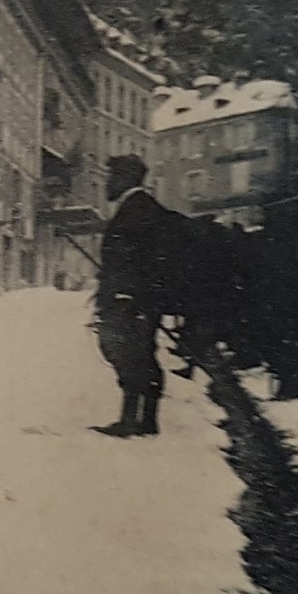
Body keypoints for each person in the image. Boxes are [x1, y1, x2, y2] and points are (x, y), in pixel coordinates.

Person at [93, 153, 186, 437]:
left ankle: (132, 419)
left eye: (111, 178)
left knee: (126, 353)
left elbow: (138, 261)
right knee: (141, 353)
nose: (106, 184)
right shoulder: (142, 208)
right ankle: (145, 419)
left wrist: (124, 294)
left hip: (130, 300)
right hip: (139, 299)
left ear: (124, 179)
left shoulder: (136, 212)